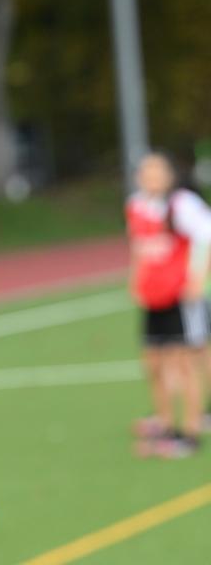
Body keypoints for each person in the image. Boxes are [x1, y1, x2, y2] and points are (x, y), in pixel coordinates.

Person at [126, 152, 211, 458]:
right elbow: (139, 248)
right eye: (145, 171)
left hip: (179, 297)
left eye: (157, 171)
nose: (151, 176)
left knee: (185, 362)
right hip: (153, 298)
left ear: (169, 175)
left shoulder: (181, 204)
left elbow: (206, 235)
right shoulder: (136, 206)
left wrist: (197, 278)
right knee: (154, 364)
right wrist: (136, 279)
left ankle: (189, 432)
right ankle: (164, 425)